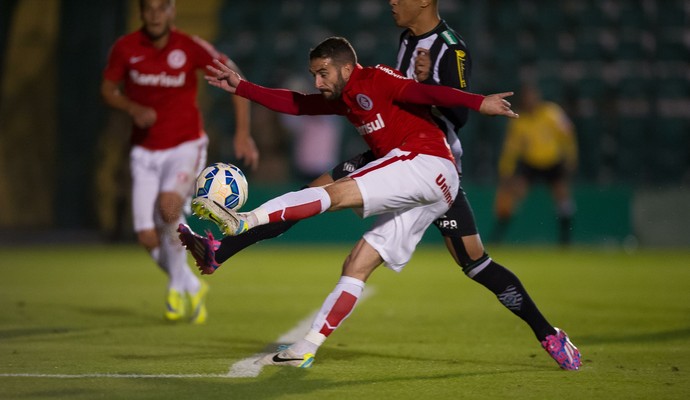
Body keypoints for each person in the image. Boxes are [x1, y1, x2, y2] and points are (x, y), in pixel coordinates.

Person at [179, 0, 582, 370]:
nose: (391, 2)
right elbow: (301, 103)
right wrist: (244, 87)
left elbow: (440, 105)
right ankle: (551, 336)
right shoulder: (403, 43)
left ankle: (237, 225)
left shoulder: (449, 50)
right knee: (369, 257)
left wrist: (475, 100)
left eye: (323, 73)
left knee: (332, 197)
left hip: (427, 157)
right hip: (402, 158)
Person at [100, 0, 258, 324]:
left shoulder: (189, 47)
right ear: (142, 12)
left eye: (162, 8)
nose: (155, 14)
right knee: (146, 236)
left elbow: (235, 78)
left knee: (167, 206)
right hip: (144, 151)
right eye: (149, 8)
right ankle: (190, 283)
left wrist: (243, 133)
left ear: (172, 11)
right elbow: (107, 89)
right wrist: (132, 108)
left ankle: (175, 286)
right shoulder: (126, 48)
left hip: (185, 146)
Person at [491, 82, 578, 245]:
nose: (530, 100)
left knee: (562, 197)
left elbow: (567, 135)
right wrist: (506, 169)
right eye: (527, 98)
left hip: (553, 161)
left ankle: (565, 240)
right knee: (513, 196)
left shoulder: (552, 112)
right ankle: (497, 237)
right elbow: (511, 148)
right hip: (531, 163)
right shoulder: (519, 121)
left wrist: (571, 158)